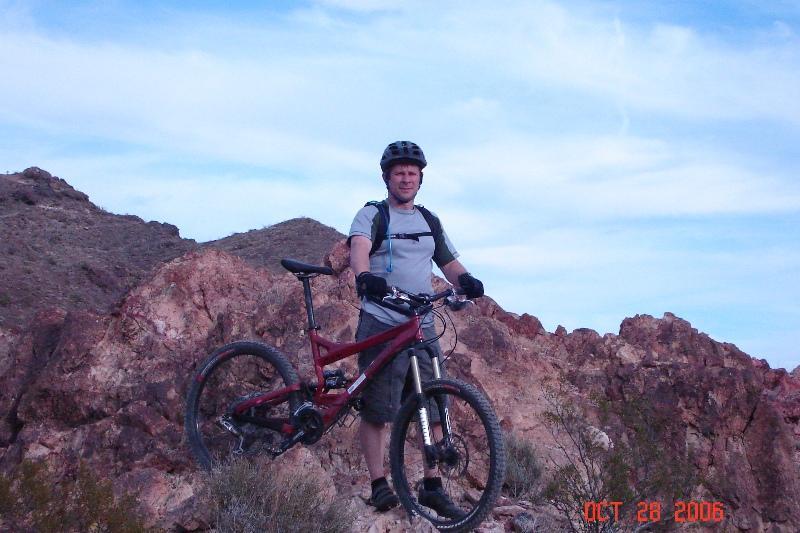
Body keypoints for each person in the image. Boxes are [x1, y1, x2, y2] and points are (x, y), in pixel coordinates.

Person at [347, 141, 484, 516]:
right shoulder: (373, 215)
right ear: (387, 178)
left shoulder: (429, 221)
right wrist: (364, 276)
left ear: (420, 179)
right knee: (376, 408)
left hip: (422, 324)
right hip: (382, 321)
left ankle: (433, 485)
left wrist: (466, 280)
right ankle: (379, 485)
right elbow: (359, 248)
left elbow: (448, 262)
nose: (406, 179)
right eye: (399, 173)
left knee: (435, 403)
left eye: (412, 173)